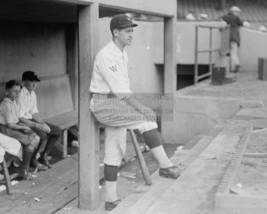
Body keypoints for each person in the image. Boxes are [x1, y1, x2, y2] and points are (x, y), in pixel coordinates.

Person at [89, 14, 181, 211]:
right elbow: (121, 91)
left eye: (132, 31)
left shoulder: (122, 52)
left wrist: (134, 105)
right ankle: (165, 166)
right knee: (147, 120)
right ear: (115, 32)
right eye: (126, 31)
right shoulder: (106, 55)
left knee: (114, 152)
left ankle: (110, 200)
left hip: (115, 104)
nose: (131, 35)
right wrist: (140, 107)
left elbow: (122, 91)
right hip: (104, 104)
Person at [18, 71, 61, 170]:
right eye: (31, 81)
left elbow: (34, 112)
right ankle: (32, 160)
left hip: (31, 119)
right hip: (22, 121)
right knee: (42, 135)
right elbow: (20, 117)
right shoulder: (20, 94)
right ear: (24, 82)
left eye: (36, 82)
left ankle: (43, 156)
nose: (34, 84)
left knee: (56, 130)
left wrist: (43, 123)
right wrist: (37, 125)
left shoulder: (33, 93)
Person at [0, 80, 40, 180]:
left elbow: (16, 119)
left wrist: (23, 125)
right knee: (31, 141)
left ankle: (24, 167)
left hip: (13, 128)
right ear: (7, 92)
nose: (17, 93)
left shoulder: (13, 102)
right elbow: (10, 124)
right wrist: (23, 127)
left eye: (18, 91)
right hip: (6, 131)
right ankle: (24, 169)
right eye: (14, 91)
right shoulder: (6, 104)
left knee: (36, 138)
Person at [221, 6, 246, 73]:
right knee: (233, 52)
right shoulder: (236, 18)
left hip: (225, 37)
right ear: (234, 12)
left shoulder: (224, 17)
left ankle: (224, 68)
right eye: (237, 12)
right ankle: (236, 64)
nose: (238, 13)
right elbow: (241, 24)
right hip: (234, 37)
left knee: (225, 53)